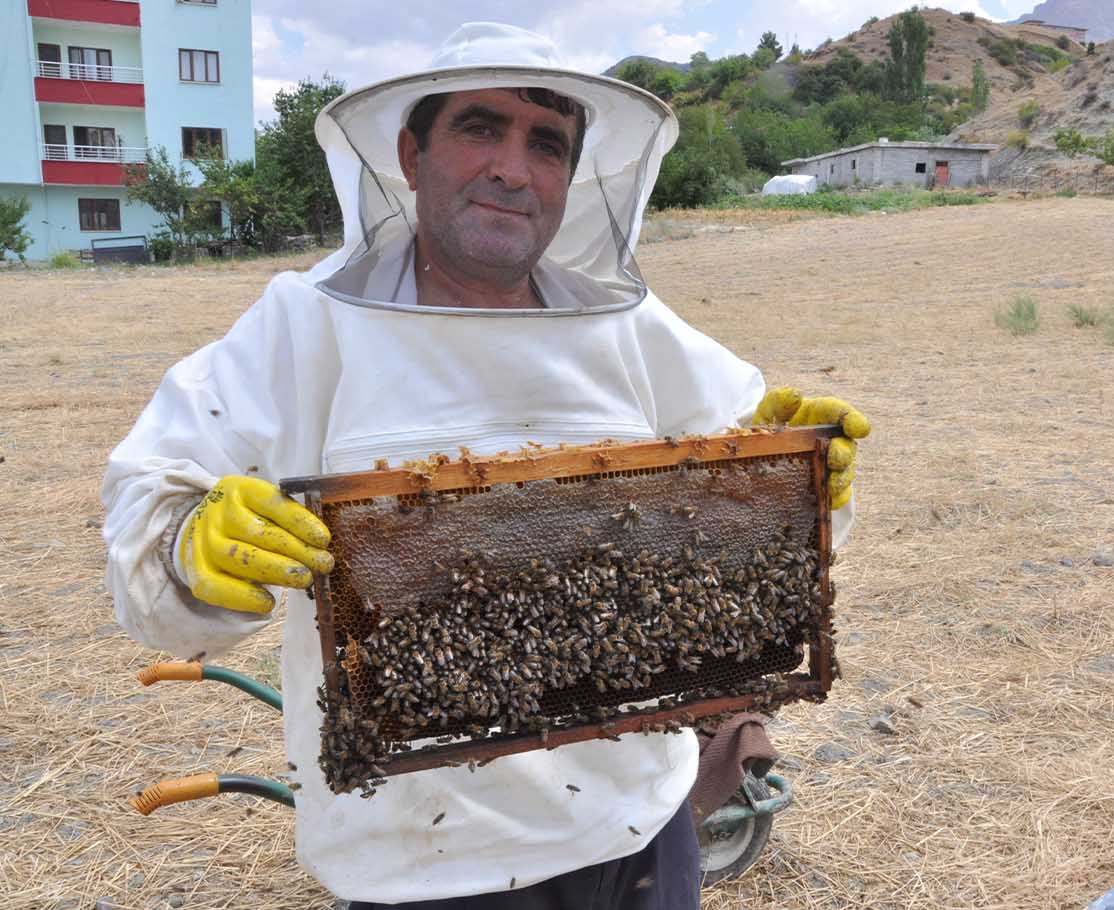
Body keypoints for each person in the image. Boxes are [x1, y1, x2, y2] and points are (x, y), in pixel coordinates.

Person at [102, 22, 870, 909]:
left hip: (640, 824)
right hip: (428, 864)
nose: (514, 166)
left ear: (572, 178)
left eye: (546, 143)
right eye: (480, 127)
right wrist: (191, 547)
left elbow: (767, 530)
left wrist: (797, 485)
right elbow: (150, 513)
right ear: (409, 152)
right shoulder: (304, 327)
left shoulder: (630, 329)